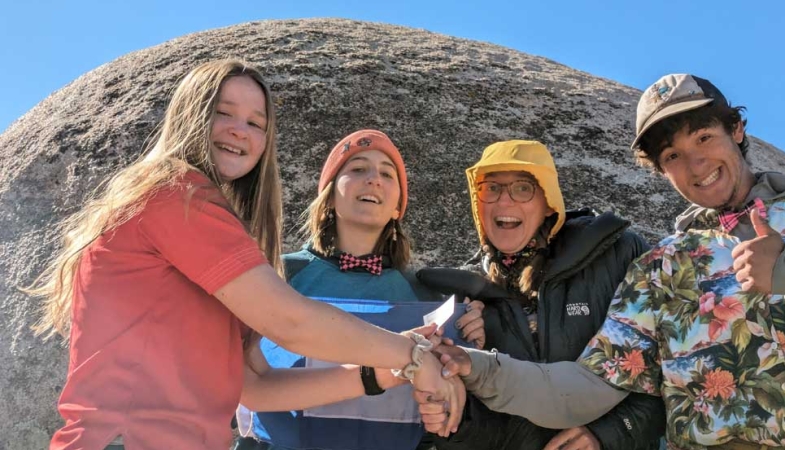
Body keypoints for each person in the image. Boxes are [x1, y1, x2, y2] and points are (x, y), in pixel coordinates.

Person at [26, 60, 460, 450]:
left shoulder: (203, 218)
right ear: (189, 116)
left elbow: (256, 386)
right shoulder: (174, 198)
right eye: (224, 113)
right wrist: (411, 356)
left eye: (256, 122)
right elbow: (290, 322)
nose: (240, 130)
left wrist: (388, 370)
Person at [420, 74, 785, 450]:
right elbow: (586, 387)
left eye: (704, 137)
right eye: (672, 155)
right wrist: (478, 367)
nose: (695, 164)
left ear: (737, 129)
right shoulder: (660, 266)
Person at [232, 129, 485, 450]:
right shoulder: (277, 273)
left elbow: (440, 406)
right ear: (329, 194)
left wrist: (471, 344)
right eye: (357, 169)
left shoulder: (426, 295)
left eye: (386, 173)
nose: (373, 179)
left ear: (398, 206)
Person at [420, 140, 665, 450]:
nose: (504, 201)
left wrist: (610, 432)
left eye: (523, 188)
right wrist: (451, 416)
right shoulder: (461, 297)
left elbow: (669, 369)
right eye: (491, 188)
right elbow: (480, 429)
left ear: (549, 201)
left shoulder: (616, 254)